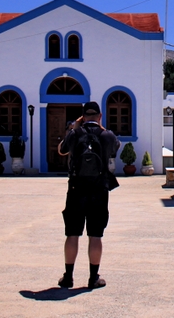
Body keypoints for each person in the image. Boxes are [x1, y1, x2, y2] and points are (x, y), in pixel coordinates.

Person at [57, 101, 119, 289]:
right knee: (95, 235)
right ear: (100, 117)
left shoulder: (75, 134)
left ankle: (68, 277)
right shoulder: (107, 135)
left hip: (76, 190)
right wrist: (101, 128)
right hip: (99, 191)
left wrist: (74, 128)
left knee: (72, 234)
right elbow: (115, 148)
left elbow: (61, 150)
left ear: (83, 117)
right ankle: (93, 278)